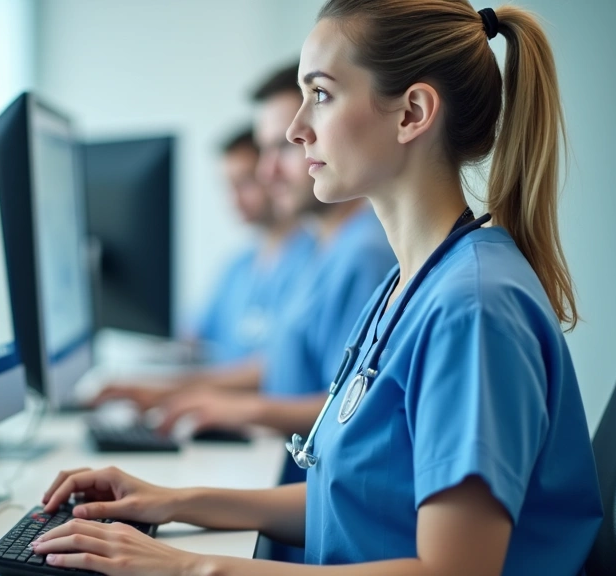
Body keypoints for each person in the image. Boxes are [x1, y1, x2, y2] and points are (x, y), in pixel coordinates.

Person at [30, 1, 604, 575]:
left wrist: (189, 567)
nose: (294, 128)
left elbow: (453, 571)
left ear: (412, 113)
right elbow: (352, 501)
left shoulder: (472, 307)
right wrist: (167, 500)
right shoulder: (407, 284)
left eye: (321, 94)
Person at [95, 64, 396, 445]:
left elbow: (353, 409)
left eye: (287, 146)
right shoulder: (327, 249)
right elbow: (286, 368)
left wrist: (232, 407)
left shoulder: (363, 255)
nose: (267, 174)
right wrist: (176, 391)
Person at [193, 128, 315, 367]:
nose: (234, 199)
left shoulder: (315, 260)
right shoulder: (236, 267)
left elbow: (281, 367)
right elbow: (195, 337)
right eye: (228, 186)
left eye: (246, 183)